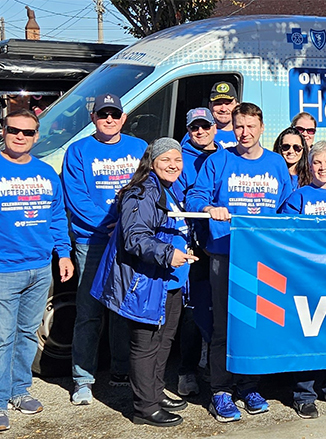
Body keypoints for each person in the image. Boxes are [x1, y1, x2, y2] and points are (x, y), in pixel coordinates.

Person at [186, 103, 291, 422]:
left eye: (250, 126)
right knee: (225, 324)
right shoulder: (218, 160)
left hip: (263, 258)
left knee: (256, 322)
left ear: (262, 129)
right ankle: (220, 390)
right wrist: (208, 208)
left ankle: (249, 386)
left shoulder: (276, 163)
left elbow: (288, 206)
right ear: (232, 128)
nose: (244, 133)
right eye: (239, 127)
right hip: (224, 251)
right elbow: (194, 198)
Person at [91, 138, 198, 427]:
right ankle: (144, 408)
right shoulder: (141, 192)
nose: (173, 165)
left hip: (169, 282)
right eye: (166, 160)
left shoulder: (168, 188)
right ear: (152, 163)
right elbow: (135, 238)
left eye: (177, 159)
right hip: (147, 282)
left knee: (163, 343)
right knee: (146, 344)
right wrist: (168, 253)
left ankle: (155, 392)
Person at [0, 109, 74, 432]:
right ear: (3, 131)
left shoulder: (46, 173)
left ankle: (19, 391)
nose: (19, 136)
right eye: (13, 130)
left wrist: (63, 254)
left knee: (25, 335)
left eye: (27, 132)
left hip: (39, 268)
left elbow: (57, 217)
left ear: (37, 137)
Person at [63, 93, 147, 405]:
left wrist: (127, 224)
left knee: (123, 308)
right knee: (89, 311)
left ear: (124, 118)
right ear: (93, 119)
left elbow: (145, 189)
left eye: (114, 114)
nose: (109, 120)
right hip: (93, 241)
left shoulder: (139, 148)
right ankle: (83, 380)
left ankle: (121, 371)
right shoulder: (78, 151)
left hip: (129, 239)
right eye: (103, 115)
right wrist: (109, 225)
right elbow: (76, 198)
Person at [279, 141, 326, 418]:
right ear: (309, 166)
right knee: (308, 332)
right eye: (316, 163)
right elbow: (284, 236)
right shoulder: (298, 197)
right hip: (307, 278)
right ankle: (304, 393)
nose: (322, 168)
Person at [175, 107, 222, 397]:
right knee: (193, 309)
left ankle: (215, 365)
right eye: (195, 128)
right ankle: (186, 370)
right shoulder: (181, 158)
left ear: (215, 127)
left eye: (205, 126)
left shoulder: (226, 156)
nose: (200, 132)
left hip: (223, 242)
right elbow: (182, 201)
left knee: (219, 308)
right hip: (194, 242)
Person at [208, 81, 240, 149]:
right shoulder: (198, 134)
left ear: (237, 106)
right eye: (218, 103)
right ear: (210, 106)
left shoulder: (246, 134)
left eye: (228, 103)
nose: (223, 109)